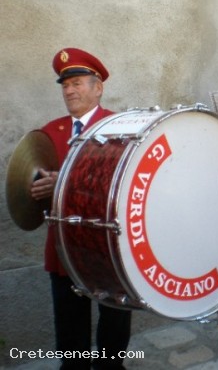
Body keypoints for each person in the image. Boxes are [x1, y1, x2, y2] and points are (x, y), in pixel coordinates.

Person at [31, 48, 131, 370]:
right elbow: (30, 174)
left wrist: (66, 180)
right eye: (65, 85)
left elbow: (124, 183)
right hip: (65, 248)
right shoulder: (50, 132)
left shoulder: (120, 126)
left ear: (97, 87)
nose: (69, 91)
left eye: (77, 82)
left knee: (113, 332)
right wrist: (37, 182)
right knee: (70, 337)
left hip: (108, 250)